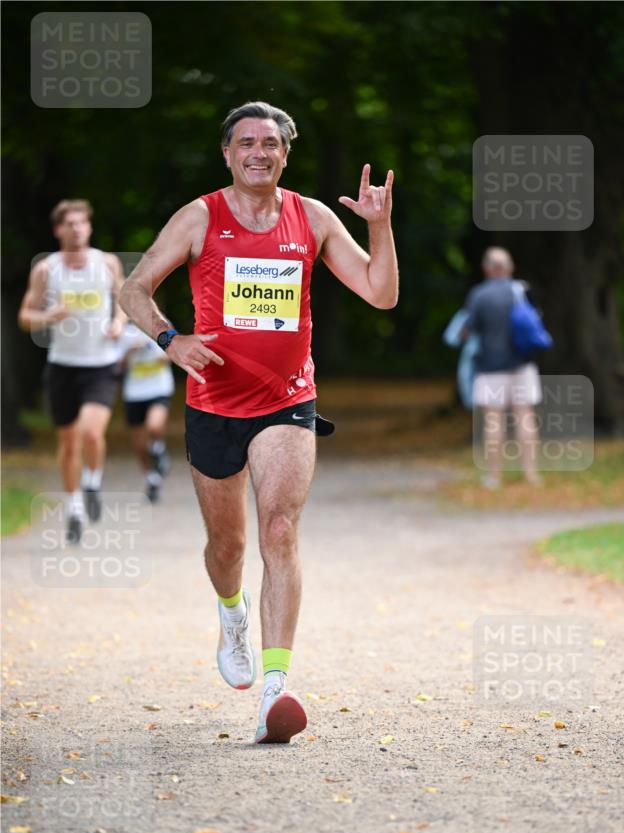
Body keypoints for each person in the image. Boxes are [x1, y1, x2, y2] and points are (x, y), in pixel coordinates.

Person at [120, 101, 398, 744]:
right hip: (214, 403)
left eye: (271, 143)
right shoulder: (200, 216)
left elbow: (381, 293)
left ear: (284, 153)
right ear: (227, 153)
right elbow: (134, 289)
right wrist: (171, 340)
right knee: (229, 548)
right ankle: (231, 611)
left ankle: (276, 688)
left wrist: (380, 228)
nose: (258, 152)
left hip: (287, 400)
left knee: (278, 527)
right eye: (246, 142)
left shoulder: (313, 218)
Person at [18, 200, 126, 542]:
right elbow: (25, 316)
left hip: (100, 364)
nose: (76, 229)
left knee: (92, 434)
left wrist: (118, 323)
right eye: (69, 224)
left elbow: (124, 302)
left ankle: (93, 481)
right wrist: (50, 316)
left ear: (89, 228)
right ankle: (75, 508)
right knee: (67, 443)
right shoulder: (46, 270)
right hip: (62, 366)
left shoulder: (106, 263)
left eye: (82, 223)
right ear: (58, 230)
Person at [464, 247, 542, 489]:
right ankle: (531, 475)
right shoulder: (522, 291)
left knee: (493, 422)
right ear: (510, 268)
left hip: (490, 369)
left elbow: (467, 330)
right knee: (525, 417)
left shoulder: (479, 295)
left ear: (487, 268)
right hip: (522, 366)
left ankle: (494, 477)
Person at [118, 322, 174, 503]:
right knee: (139, 445)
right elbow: (117, 365)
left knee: (154, 426)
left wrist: (152, 348)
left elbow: (172, 355)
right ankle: (152, 479)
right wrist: (132, 351)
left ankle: (159, 449)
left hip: (158, 388)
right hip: (134, 393)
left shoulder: (160, 324)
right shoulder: (121, 331)